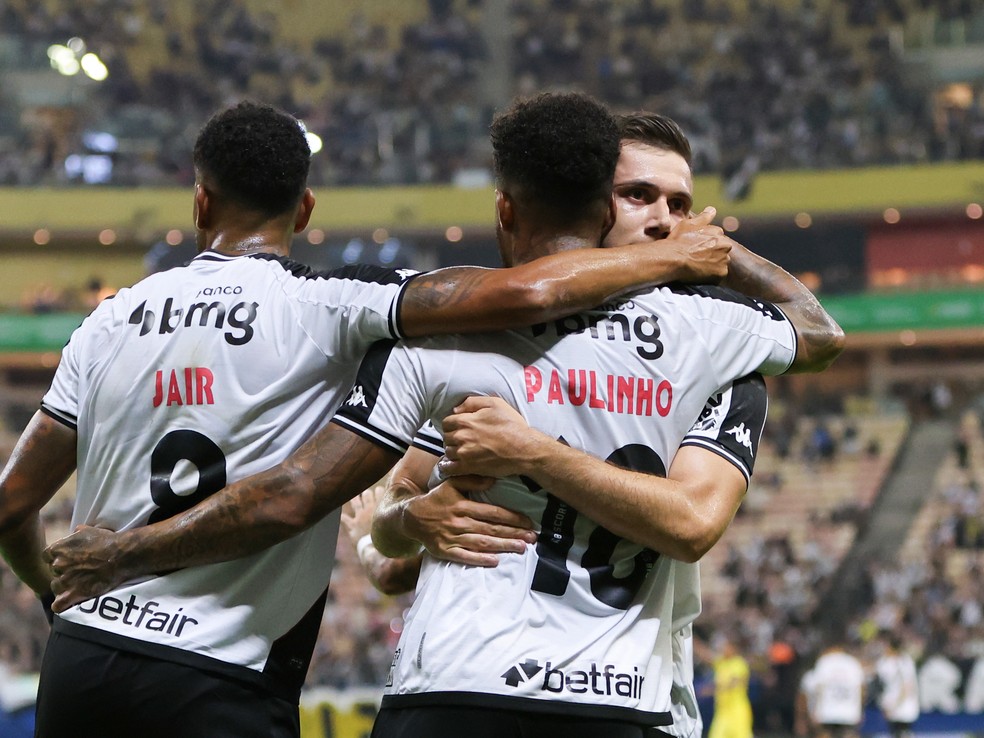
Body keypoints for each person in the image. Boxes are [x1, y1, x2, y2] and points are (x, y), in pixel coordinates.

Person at [44, 100, 843, 735]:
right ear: (597, 207)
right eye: (639, 197)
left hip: (628, 696)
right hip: (487, 685)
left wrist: (533, 452)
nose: (666, 221)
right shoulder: (715, 338)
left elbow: (694, 521)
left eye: (681, 205)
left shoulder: (715, 348)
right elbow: (386, 556)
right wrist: (408, 519)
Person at [797, 641, 865, 738]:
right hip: (849, 711)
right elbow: (861, 689)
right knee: (849, 734)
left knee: (825, 734)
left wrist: (815, 710)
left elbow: (818, 688)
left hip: (827, 711)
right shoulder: (853, 663)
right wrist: (860, 710)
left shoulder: (824, 662)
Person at [873, 634, 919, 738]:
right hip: (891, 704)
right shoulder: (884, 662)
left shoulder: (905, 662)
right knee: (893, 732)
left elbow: (907, 686)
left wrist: (895, 705)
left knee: (903, 732)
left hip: (904, 706)